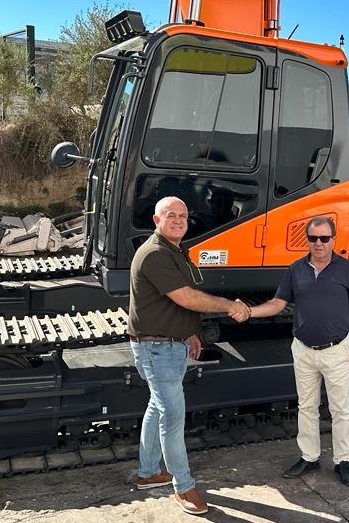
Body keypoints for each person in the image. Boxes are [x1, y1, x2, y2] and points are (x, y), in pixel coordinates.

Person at [128, 196, 250, 515]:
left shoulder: (174, 250)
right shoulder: (155, 253)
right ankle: (183, 487)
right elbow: (185, 297)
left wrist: (190, 332)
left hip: (169, 342)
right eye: (171, 215)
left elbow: (173, 300)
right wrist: (229, 305)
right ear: (157, 221)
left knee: (158, 406)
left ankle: (148, 472)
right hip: (157, 348)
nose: (179, 220)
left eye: (183, 215)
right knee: (172, 416)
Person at [248, 216, 349, 486]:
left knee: (341, 409)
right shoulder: (296, 269)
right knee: (306, 406)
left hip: (337, 350)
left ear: (333, 240)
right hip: (303, 350)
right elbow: (278, 303)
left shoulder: (348, 269)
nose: (319, 243)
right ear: (307, 240)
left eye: (325, 238)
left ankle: (342, 461)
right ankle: (309, 457)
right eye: (313, 238)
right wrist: (250, 311)